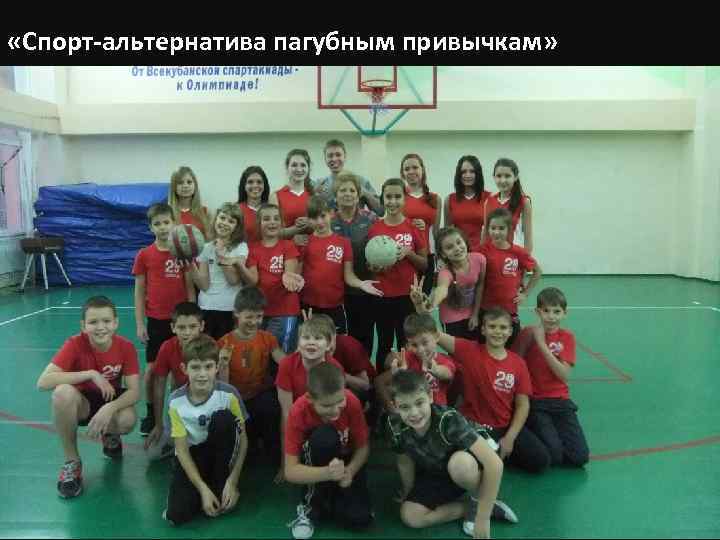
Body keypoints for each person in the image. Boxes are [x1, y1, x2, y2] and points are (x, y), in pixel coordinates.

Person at [411, 286, 551, 474]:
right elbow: (433, 333)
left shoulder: (518, 363)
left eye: (503, 328)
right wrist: (420, 307)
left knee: (541, 460)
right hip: (473, 427)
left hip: (503, 427)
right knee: (466, 463)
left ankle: (496, 453)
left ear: (510, 331)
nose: (497, 332)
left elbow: (522, 404)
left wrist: (510, 438)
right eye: (492, 327)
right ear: (483, 329)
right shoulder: (468, 350)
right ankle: (490, 455)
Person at [387, 370, 516, 538]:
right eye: (405, 407)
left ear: (430, 397)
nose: (414, 413)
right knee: (410, 516)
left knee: (460, 464)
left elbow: (494, 464)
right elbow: (404, 460)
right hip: (437, 472)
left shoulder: (447, 419)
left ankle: (480, 500)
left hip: (467, 468)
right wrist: (408, 491)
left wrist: (482, 519)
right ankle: (474, 507)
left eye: (419, 403)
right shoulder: (394, 425)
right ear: (394, 406)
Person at [36, 296, 140, 498]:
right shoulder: (75, 344)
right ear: (83, 326)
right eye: (93, 322)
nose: (100, 327)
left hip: (109, 399)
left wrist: (109, 408)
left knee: (127, 419)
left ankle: (110, 435)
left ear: (116, 323)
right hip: (82, 401)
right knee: (61, 393)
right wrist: (91, 374)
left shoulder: (126, 347)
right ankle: (72, 462)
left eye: (106, 321)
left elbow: (134, 392)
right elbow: (43, 382)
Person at [164, 335, 249, 525]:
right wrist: (202, 489)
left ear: (217, 367)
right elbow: (182, 451)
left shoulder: (229, 394)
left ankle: (221, 481)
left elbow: (242, 440)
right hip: (192, 456)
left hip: (220, 455)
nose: (202, 374)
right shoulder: (175, 402)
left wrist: (233, 481)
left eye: (208, 367)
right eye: (195, 367)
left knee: (223, 418)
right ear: (184, 369)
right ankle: (203, 486)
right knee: (176, 516)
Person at [285, 362, 373, 539]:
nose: (335, 410)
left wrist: (350, 471)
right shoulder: (298, 411)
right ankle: (310, 508)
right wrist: (328, 473)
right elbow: (290, 471)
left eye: (340, 401)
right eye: (327, 406)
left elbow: (363, 448)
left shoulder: (352, 402)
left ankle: (332, 500)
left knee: (360, 519)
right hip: (317, 462)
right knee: (324, 436)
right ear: (310, 398)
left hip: (346, 463)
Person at [133, 203, 195, 436]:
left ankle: (175, 411)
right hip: (156, 321)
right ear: (151, 227)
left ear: (174, 223)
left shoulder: (182, 252)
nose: (162, 227)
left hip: (181, 323)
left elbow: (190, 287)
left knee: (179, 372)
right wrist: (140, 323)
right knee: (152, 372)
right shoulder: (144, 255)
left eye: (166, 222)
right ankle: (152, 413)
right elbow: (139, 291)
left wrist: (193, 314)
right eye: (157, 224)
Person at [511, 288, 590, 467]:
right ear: (538, 311)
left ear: (564, 313)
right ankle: (524, 430)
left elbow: (563, 375)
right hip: (536, 402)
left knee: (580, 457)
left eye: (556, 311)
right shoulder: (527, 334)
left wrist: (541, 344)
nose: (551, 317)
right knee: (553, 456)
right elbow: (514, 364)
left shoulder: (567, 337)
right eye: (546, 311)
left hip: (561, 402)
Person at [217, 287, 285, 472]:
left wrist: (305, 352)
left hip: (260, 394)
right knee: (245, 443)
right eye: (249, 317)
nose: (254, 322)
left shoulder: (268, 338)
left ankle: (275, 456)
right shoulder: (224, 343)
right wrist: (223, 365)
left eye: (259, 316)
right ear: (236, 314)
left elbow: (285, 362)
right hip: (237, 399)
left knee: (271, 409)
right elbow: (223, 386)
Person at [276, 317, 345, 483]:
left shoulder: (335, 367)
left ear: (329, 345)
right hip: (297, 417)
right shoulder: (287, 365)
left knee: (326, 439)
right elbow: (287, 413)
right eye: (306, 337)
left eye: (318, 338)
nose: (311, 342)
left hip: (324, 416)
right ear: (298, 343)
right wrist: (286, 463)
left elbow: (336, 409)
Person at [368, 178, 428, 370]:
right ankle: (381, 383)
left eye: (397, 197)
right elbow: (370, 265)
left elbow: (425, 264)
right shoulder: (375, 228)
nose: (392, 201)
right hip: (383, 296)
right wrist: (376, 267)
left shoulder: (413, 227)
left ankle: (408, 382)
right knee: (384, 343)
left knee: (407, 343)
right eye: (388, 197)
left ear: (404, 199)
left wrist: (409, 253)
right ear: (382, 199)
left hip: (408, 296)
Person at [300, 196, 382, 334]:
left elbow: (348, 276)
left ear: (331, 214)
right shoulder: (304, 242)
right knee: (311, 342)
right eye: (314, 218)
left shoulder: (343, 243)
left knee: (337, 343)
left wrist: (361, 284)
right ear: (308, 219)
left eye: (323, 216)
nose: (319, 222)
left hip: (335, 306)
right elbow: (298, 274)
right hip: (309, 306)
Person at [144, 301, 206, 460]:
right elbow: (159, 386)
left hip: (205, 403)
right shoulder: (167, 347)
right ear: (173, 327)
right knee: (153, 453)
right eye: (181, 327)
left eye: (192, 327)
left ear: (202, 326)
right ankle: (180, 443)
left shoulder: (210, 346)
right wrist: (159, 424)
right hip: (179, 403)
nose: (187, 332)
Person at [188, 202, 256, 340]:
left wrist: (220, 255)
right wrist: (190, 264)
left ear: (236, 227)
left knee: (226, 349)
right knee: (207, 349)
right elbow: (204, 285)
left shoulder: (241, 247)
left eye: (231, 221)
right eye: (222, 218)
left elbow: (233, 280)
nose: (225, 223)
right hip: (206, 306)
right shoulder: (206, 247)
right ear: (216, 219)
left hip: (228, 307)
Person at [330, 172, 379, 355]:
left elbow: (380, 246)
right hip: (338, 291)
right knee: (341, 339)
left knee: (364, 337)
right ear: (335, 196)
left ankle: (364, 371)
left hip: (365, 287)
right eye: (343, 190)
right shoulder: (329, 221)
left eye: (352, 190)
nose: (347, 194)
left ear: (358, 196)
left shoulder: (371, 218)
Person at [245, 203, 303, 353]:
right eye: (266, 219)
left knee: (282, 355)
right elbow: (253, 280)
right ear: (259, 223)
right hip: (260, 313)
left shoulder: (288, 245)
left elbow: (290, 273)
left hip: (285, 311)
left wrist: (290, 278)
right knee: (262, 355)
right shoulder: (252, 248)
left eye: (276, 218)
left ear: (281, 223)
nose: (272, 222)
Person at [479, 208, 542, 345]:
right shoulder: (482, 250)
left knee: (511, 344)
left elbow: (537, 272)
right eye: (493, 228)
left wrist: (525, 294)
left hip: (509, 309)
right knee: (486, 345)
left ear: (510, 229)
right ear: (487, 229)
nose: (496, 232)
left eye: (501, 228)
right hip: (486, 309)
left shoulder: (518, 252)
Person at [375, 313, 456, 414]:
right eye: (414, 345)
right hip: (411, 415)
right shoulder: (407, 358)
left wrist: (434, 369)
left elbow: (447, 373)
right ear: (408, 344)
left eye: (425, 342)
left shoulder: (445, 361)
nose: (420, 350)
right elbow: (379, 381)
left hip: (437, 415)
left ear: (436, 337)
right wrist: (392, 409)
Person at [433, 227, 486, 340]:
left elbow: (480, 285)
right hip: (451, 319)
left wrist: (475, 314)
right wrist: (433, 303)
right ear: (443, 254)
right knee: (457, 349)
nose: (457, 248)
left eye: (459, 242)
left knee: (475, 346)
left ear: (465, 242)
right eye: (449, 247)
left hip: (471, 313)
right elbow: (442, 288)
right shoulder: (445, 272)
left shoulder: (479, 260)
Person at [401, 153, 441, 297]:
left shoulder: (435, 198)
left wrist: (440, 258)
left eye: (415, 167)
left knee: (423, 300)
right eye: (407, 169)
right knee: (405, 301)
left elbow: (436, 233)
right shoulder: (399, 197)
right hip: (403, 255)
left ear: (422, 169)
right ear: (402, 173)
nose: (411, 171)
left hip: (427, 257)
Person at [313, 139, 383, 214]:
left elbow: (380, 211)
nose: (334, 159)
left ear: (345, 157)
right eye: (330, 156)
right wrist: (315, 195)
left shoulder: (361, 181)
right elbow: (313, 213)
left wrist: (364, 192)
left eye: (338, 155)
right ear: (325, 159)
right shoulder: (320, 184)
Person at [481, 158, 533, 253]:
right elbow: (485, 233)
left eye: (507, 176)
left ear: (515, 177)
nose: (503, 180)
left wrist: (526, 259)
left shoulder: (524, 202)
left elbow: (528, 238)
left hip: (513, 256)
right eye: (499, 176)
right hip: (492, 256)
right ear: (494, 177)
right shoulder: (488, 201)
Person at [270, 149, 315, 249]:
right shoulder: (276, 196)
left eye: (303, 165)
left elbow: (323, 227)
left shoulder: (314, 195)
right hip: (287, 252)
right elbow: (273, 232)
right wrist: (294, 234)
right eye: (294, 165)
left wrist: (310, 223)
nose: (299, 169)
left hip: (313, 251)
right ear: (287, 168)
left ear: (308, 168)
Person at [444, 156, 490, 253]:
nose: (468, 175)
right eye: (464, 172)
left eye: (472, 171)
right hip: (459, 253)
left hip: (483, 252)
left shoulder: (489, 198)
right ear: (459, 174)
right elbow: (447, 233)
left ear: (478, 174)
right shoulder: (449, 199)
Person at [168, 166, 210, 238]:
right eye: (180, 183)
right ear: (174, 187)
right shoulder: (167, 213)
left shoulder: (205, 212)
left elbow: (210, 240)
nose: (185, 186)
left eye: (189, 182)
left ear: (195, 185)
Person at [237, 165, 271, 243]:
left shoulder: (271, 209)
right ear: (244, 186)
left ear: (264, 185)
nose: (255, 185)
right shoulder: (237, 210)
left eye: (259, 182)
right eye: (250, 182)